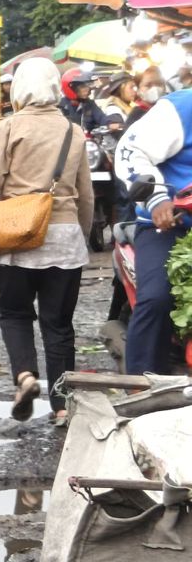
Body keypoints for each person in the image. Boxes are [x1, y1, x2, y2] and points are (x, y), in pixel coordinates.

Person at [0, 58, 93, 423]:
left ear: (19, 88)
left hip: (16, 237)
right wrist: (79, 236)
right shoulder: (74, 131)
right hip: (64, 238)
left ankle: (25, 376)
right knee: (58, 326)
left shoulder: (9, 127)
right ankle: (63, 406)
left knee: (15, 314)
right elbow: (86, 196)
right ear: (54, 87)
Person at [114, 84, 192, 374]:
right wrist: (158, 199)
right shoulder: (180, 108)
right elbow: (130, 150)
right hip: (170, 225)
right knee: (157, 297)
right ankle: (141, 387)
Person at [59, 68, 108, 134]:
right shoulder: (60, 106)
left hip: (87, 141)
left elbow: (102, 118)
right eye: (83, 86)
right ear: (71, 87)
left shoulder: (90, 104)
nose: (88, 89)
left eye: (88, 86)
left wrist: (112, 121)